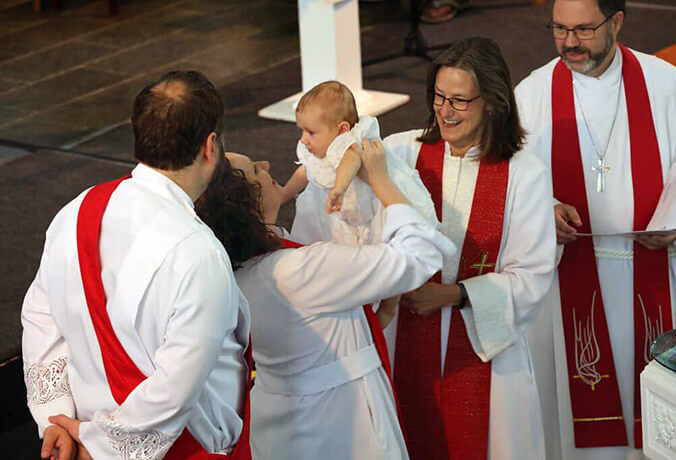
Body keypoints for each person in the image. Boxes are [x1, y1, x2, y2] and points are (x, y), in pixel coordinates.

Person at [21, 71, 251, 459]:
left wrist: (55, 419)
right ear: (211, 146)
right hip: (182, 448)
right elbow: (175, 388)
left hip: (77, 438)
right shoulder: (198, 251)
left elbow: (41, 320)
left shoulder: (75, 212)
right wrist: (101, 445)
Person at [195, 141, 455, 460]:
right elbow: (419, 255)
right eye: (253, 169)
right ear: (251, 200)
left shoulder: (227, 271)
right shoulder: (298, 269)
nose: (266, 164)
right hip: (342, 419)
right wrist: (381, 179)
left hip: (278, 418)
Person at [515, 0, 676, 458]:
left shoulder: (668, 84)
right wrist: (544, 209)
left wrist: (674, 217)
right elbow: (513, 175)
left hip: (654, 268)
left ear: (617, 22)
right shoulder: (532, 95)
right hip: (570, 278)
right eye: (559, 29)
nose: (569, 42)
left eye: (583, 29)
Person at [382, 37, 557, 459]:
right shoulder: (402, 151)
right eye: (439, 96)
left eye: (460, 100)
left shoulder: (524, 175)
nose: (445, 110)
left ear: (493, 102)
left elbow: (532, 276)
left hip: (487, 353)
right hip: (402, 334)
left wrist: (454, 295)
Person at [284, 80, 438, 246]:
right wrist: (284, 193)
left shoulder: (350, 141)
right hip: (337, 205)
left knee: (372, 237)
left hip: (369, 199)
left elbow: (352, 159)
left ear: (342, 130)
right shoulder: (317, 145)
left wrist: (339, 187)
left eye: (311, 132)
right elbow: (307, 170)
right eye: (302, 130)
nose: (303, 139)